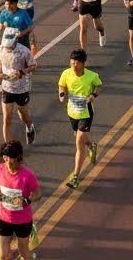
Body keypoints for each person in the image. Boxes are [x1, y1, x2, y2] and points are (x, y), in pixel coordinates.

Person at [57, 49, 103, 188]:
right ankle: (92, 146)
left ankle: (76, 176)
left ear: (83, 63)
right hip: (72, 112)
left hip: (86, 113)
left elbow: (99, 86)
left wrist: (93, 96)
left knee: (79, 144)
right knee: (81, 139)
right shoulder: (66, 73)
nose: (74, 65)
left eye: (76, 63)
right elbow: (61, 85)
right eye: (72, 62)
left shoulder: (92, 76)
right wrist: (61, 94)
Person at [0, 141, 41, 260]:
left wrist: (27, 200)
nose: (7, 161)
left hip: (23, 221)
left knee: (24, 253)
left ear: (18, 157)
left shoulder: (27, 175)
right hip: (4, 219)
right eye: (5, 157)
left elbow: (38, 193)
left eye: (10, 158)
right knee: (3, 256)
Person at [0, 27, 37, 146]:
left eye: (10, 45)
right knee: (7, 118)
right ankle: (8, 148)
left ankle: (29, 127)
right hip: (7, 87)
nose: (7, 48)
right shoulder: (0, 49)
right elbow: (0, 64)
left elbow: (34, 65)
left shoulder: (24, 51)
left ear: (15, 40)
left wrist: (22, 72)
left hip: (21, 88)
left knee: (23, 113)